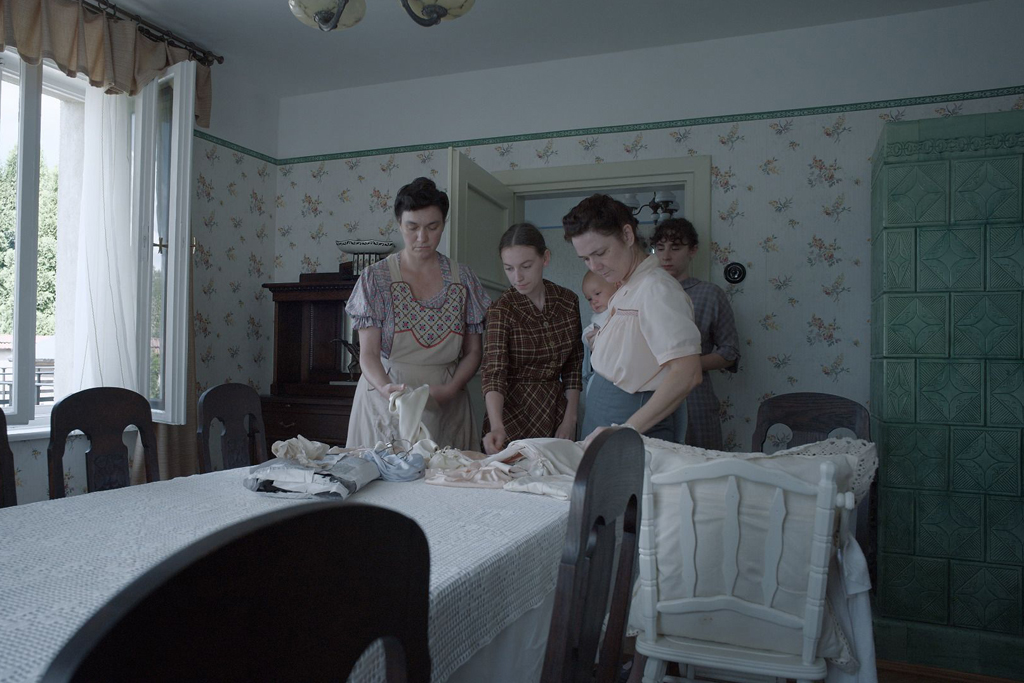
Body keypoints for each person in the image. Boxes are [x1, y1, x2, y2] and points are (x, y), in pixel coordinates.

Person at [345, 177, 491, 451]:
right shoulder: (375, 278)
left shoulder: (463, 279)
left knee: (448, 484)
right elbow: (368, 354)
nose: (422, 238)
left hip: (447, 399)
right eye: (412, 227)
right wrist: (386, 388)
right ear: (399, 224)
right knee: (383, 485)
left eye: (432, 227)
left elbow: (474, 352)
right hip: (385, 398)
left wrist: (451, 389)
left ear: (443, 225)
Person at [563, 194, 702, 445]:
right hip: (607, 411)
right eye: (585, 259)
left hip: (631, 416)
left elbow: (687, 373)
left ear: (627, 236)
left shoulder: (656, 288)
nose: (594, 267)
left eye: (600, 253)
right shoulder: (626, 287)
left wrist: (627, 429)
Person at [481, 223, 584, 455]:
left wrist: (570, 418)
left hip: (556, 410)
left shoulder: (567, 302)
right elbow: (494, 373)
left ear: (544, 258)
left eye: (526, 266)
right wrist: (497, 426)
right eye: (509, 268)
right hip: (511, 413)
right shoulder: (502, 309)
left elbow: (573, 367)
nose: (517, 277)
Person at [653, 218, 740, 450]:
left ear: (692, 250)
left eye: (676, 247)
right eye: (659, 248)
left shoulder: (710, 293)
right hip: (651, 396)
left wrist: (687, 365)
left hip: (696, 398)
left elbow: (730, 352)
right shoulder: (646, 294)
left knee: (704, 468)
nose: (666, 256)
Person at [580, 270, 617, 397]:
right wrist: (588, 337)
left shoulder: (619, 309)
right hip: (601, 370)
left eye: (597, 294)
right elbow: (588, 331)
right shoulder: (598, 317)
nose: (594, 301)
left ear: (615, 285)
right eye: (589, 299)